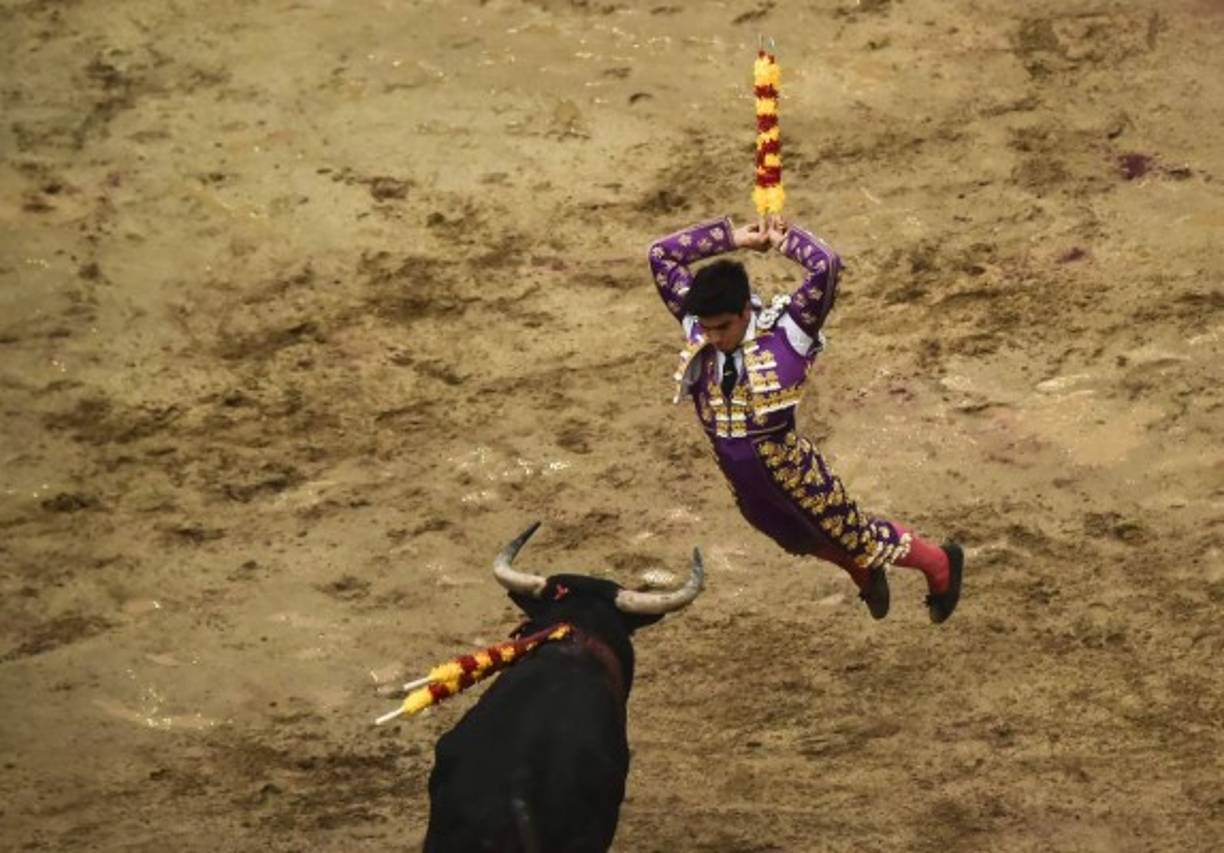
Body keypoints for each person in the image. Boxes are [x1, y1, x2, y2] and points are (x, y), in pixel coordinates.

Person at [646, 213, 963, 622]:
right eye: (706, 329)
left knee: (857, 535)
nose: (713, 338)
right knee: (792, 537)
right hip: (739, 475)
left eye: (722, 327)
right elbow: (660, 256)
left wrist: (784, 239)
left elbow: (826, 265)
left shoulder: (790, 330)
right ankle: (861, 571)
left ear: (744, 311)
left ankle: (939, 563)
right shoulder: (701, 326)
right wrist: (734, 238)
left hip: (794, 471)